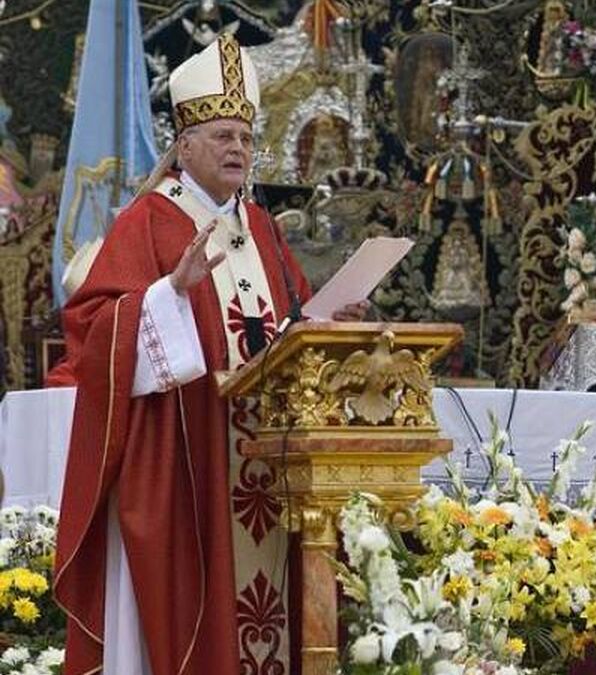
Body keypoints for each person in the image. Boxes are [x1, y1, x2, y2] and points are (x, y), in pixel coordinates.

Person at [53, 34, 365, 675]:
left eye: (247, 139)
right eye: (223, 136)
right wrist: (168, 295)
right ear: (185, 144)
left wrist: (328, 320)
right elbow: (91, 330)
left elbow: (287, 332)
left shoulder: (262, 227)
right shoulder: (148, 222)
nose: (238, 150)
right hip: (184, 463)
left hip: (268, 465)